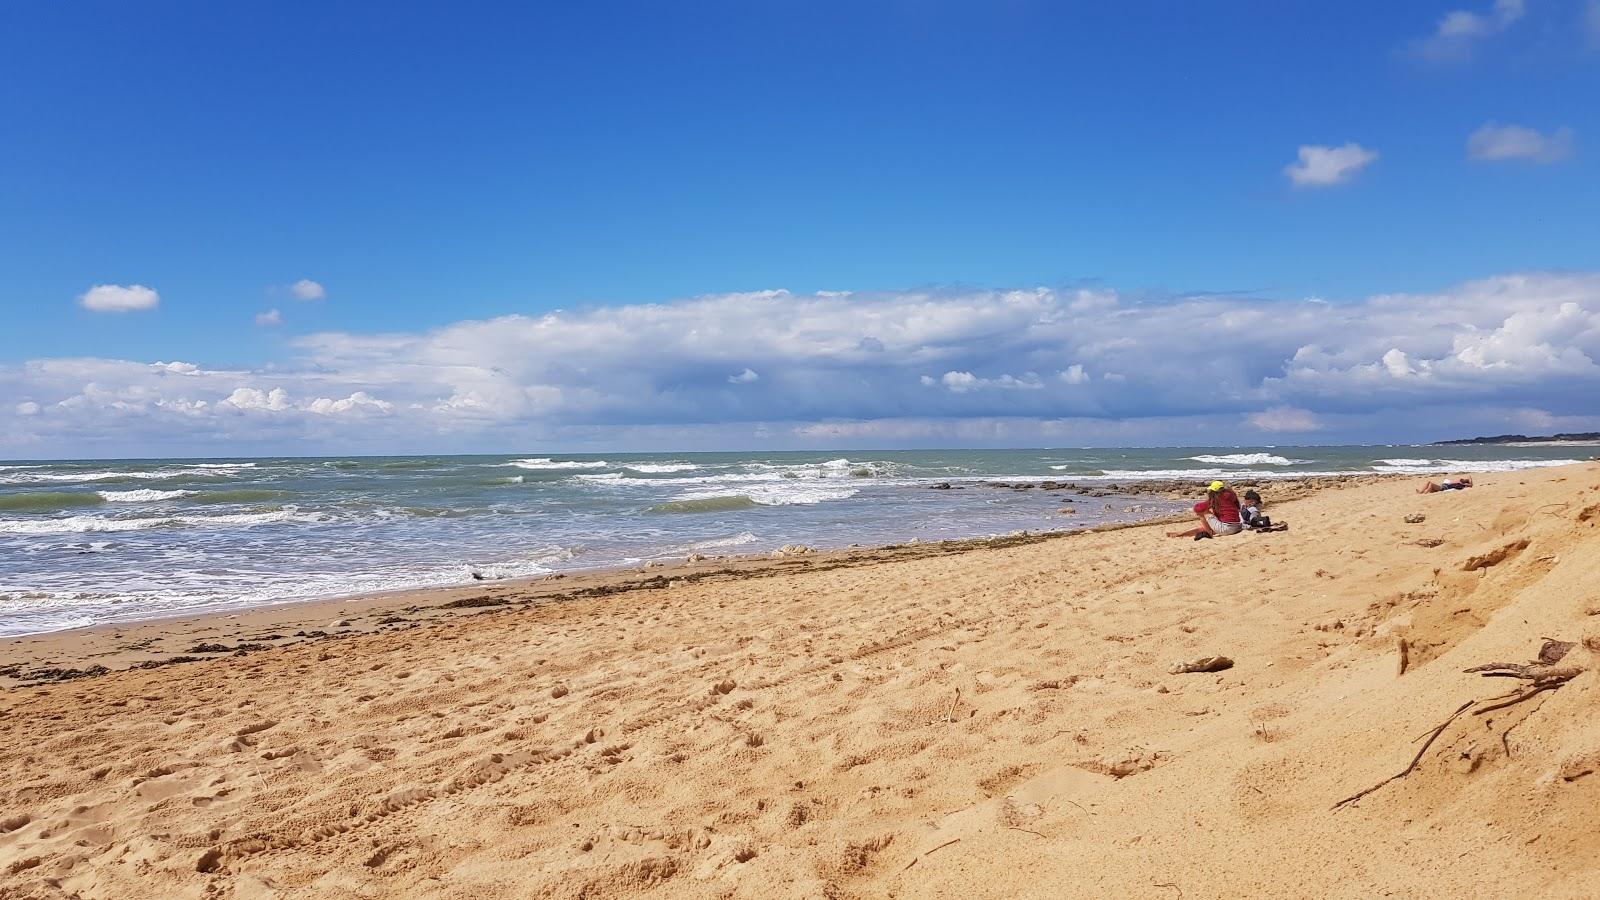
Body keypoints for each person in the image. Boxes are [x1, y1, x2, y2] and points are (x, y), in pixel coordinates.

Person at [1167, 480, 1243, 540]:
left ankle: (1208, 533)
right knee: (1203, 528)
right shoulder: (1231, 495)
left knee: (1202, 512)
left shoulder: (1217, 498)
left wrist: (1208, 507)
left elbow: (1197, 508)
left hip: (1226, 528)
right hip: (1236, 526)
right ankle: (1181, 534)